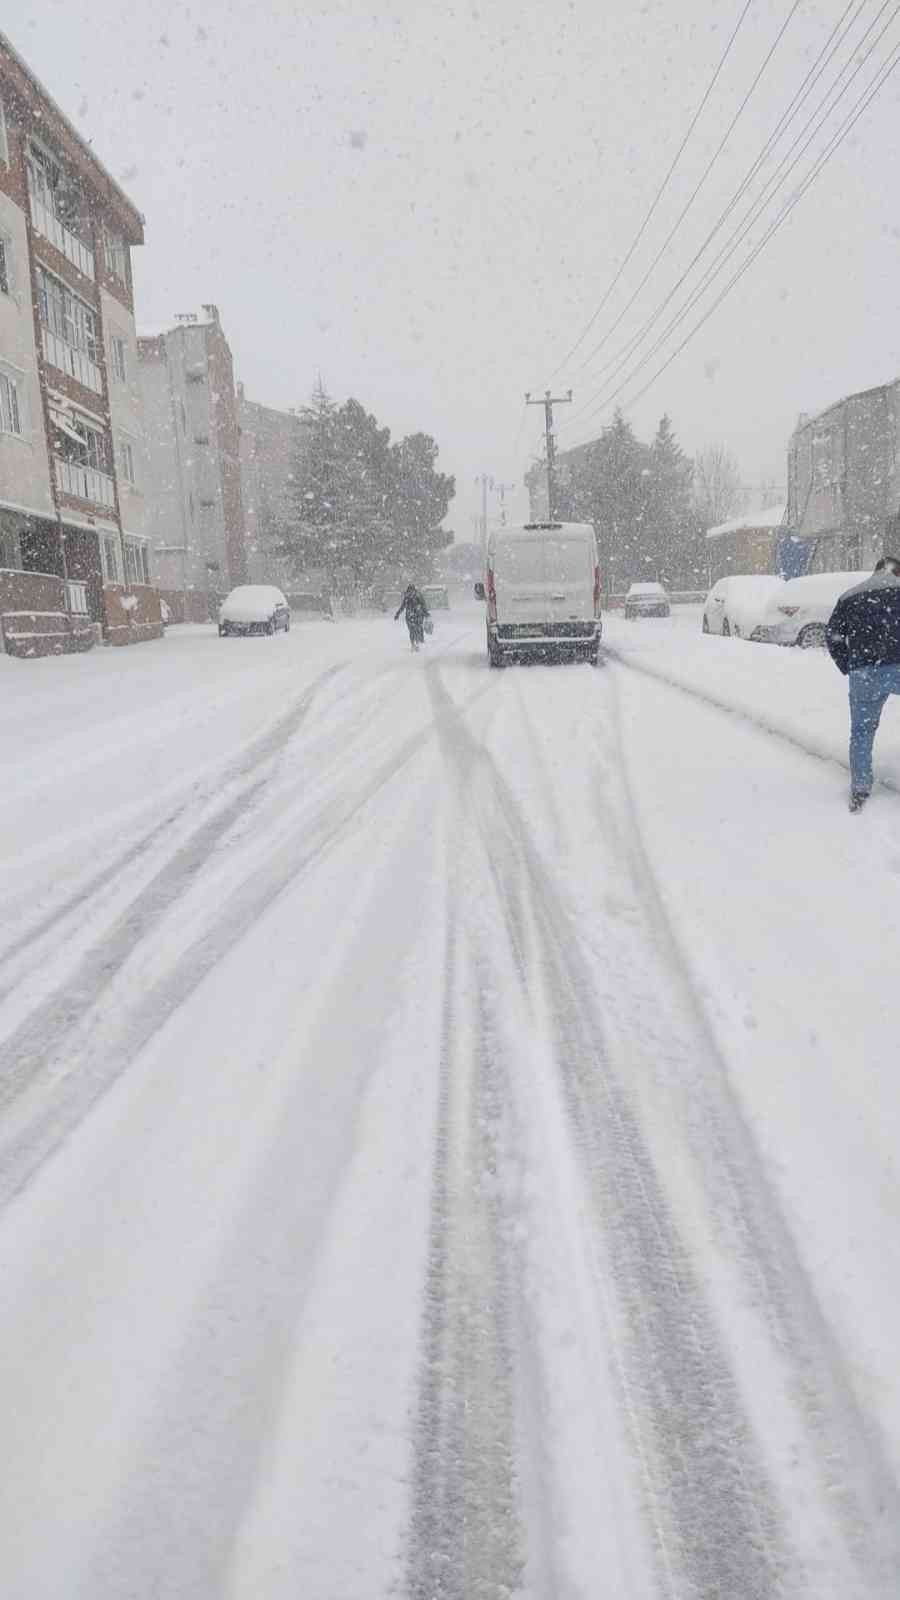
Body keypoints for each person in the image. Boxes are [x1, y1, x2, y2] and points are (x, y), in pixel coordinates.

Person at [825, 555, 900, 812]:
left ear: (876, 571)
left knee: (862, 731)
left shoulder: (850, 596)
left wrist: (848, 665)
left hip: (865, 673)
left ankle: (860, 787)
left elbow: (833, 635)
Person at [394, 582, 430, 651]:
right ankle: (416, 642)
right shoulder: (416, 595)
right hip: (416, 616)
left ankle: (415, 643)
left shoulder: (409, 596)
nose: (411, 592)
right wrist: (426, 613)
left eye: (411, 590)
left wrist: (397, 614)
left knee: (413, 630)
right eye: (410, 591)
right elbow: (423, 605)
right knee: (416, 629)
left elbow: (402, 606)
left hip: (412, 616)